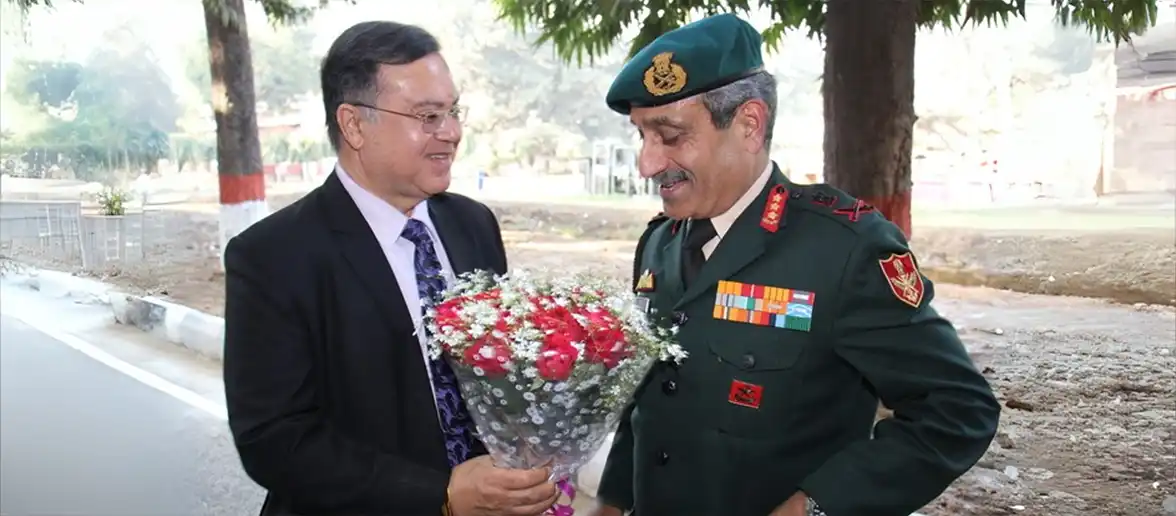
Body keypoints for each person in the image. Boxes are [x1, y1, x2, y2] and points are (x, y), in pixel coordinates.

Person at [586, 13, 1001, 516]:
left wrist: (816, 506)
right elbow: (651, 401)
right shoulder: (659, 244)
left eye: (670, 136)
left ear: (749, 125)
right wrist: (611, 503)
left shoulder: (845, 248)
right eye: (641, 135)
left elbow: (957, 410)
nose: (647, 164)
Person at [222, 21, 559, 516]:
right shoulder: (274, 256)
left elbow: (496, 376)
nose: (451, 132)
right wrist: (440, 496)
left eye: (453, 111)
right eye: (428, 116)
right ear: (354, 125)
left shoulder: (473, 225)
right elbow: (274, 440)